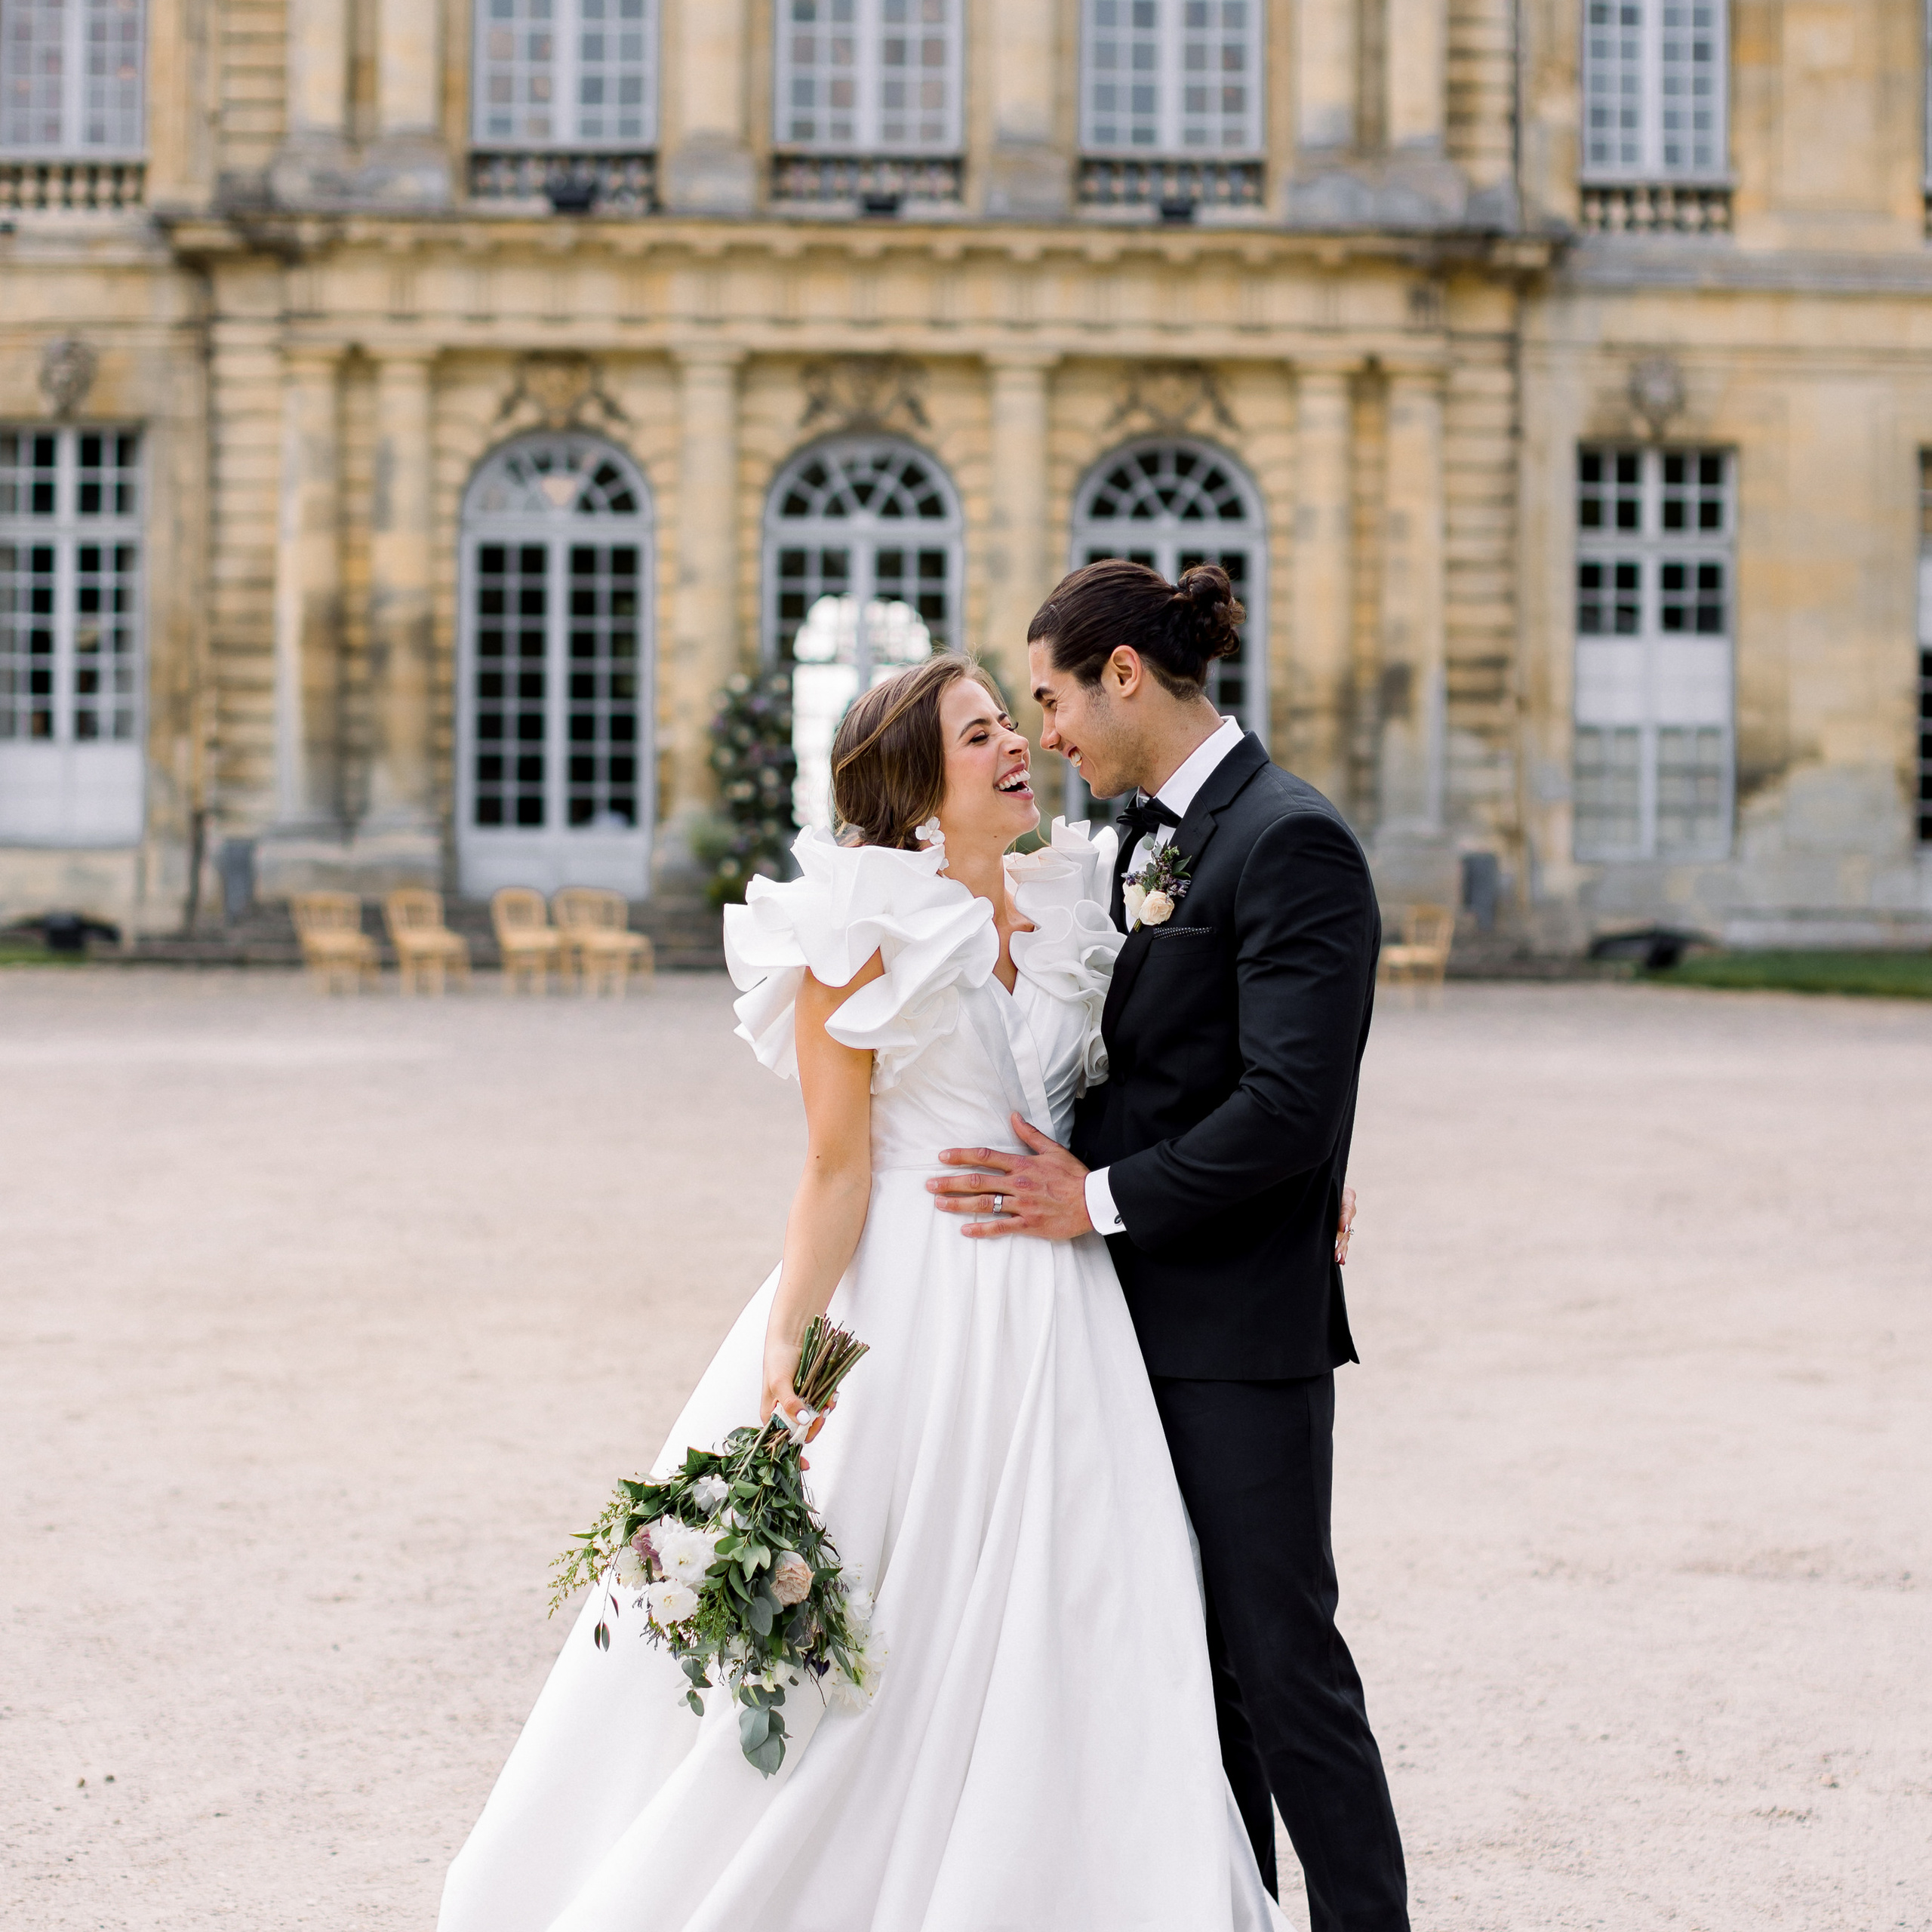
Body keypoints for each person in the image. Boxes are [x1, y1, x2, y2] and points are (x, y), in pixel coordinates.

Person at [438, 651, 1294, 1932]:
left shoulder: (1079, 905)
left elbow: (1169, 1088)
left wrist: (1305, 1175)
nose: (1015, 745)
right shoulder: (852, 936)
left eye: (1012, 722)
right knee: (889, 1631)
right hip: (914, 1311)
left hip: (1065, 1313)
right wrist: (789, 1338)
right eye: (976, 736)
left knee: (1092, 1611)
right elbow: (837, 1166)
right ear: (910, 790)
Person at [927, 559, 1409, 1932]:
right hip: (1128, 1322)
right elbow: (1156, 1071)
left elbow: (1288, 1103)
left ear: (1123, 675)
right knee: (1194, 1678)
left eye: (1053, 699)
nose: (1048, 734)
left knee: (1283, 1665)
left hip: (1237, 1333)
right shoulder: (1146, 838)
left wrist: (1102, 1199)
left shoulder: (1289, 838)